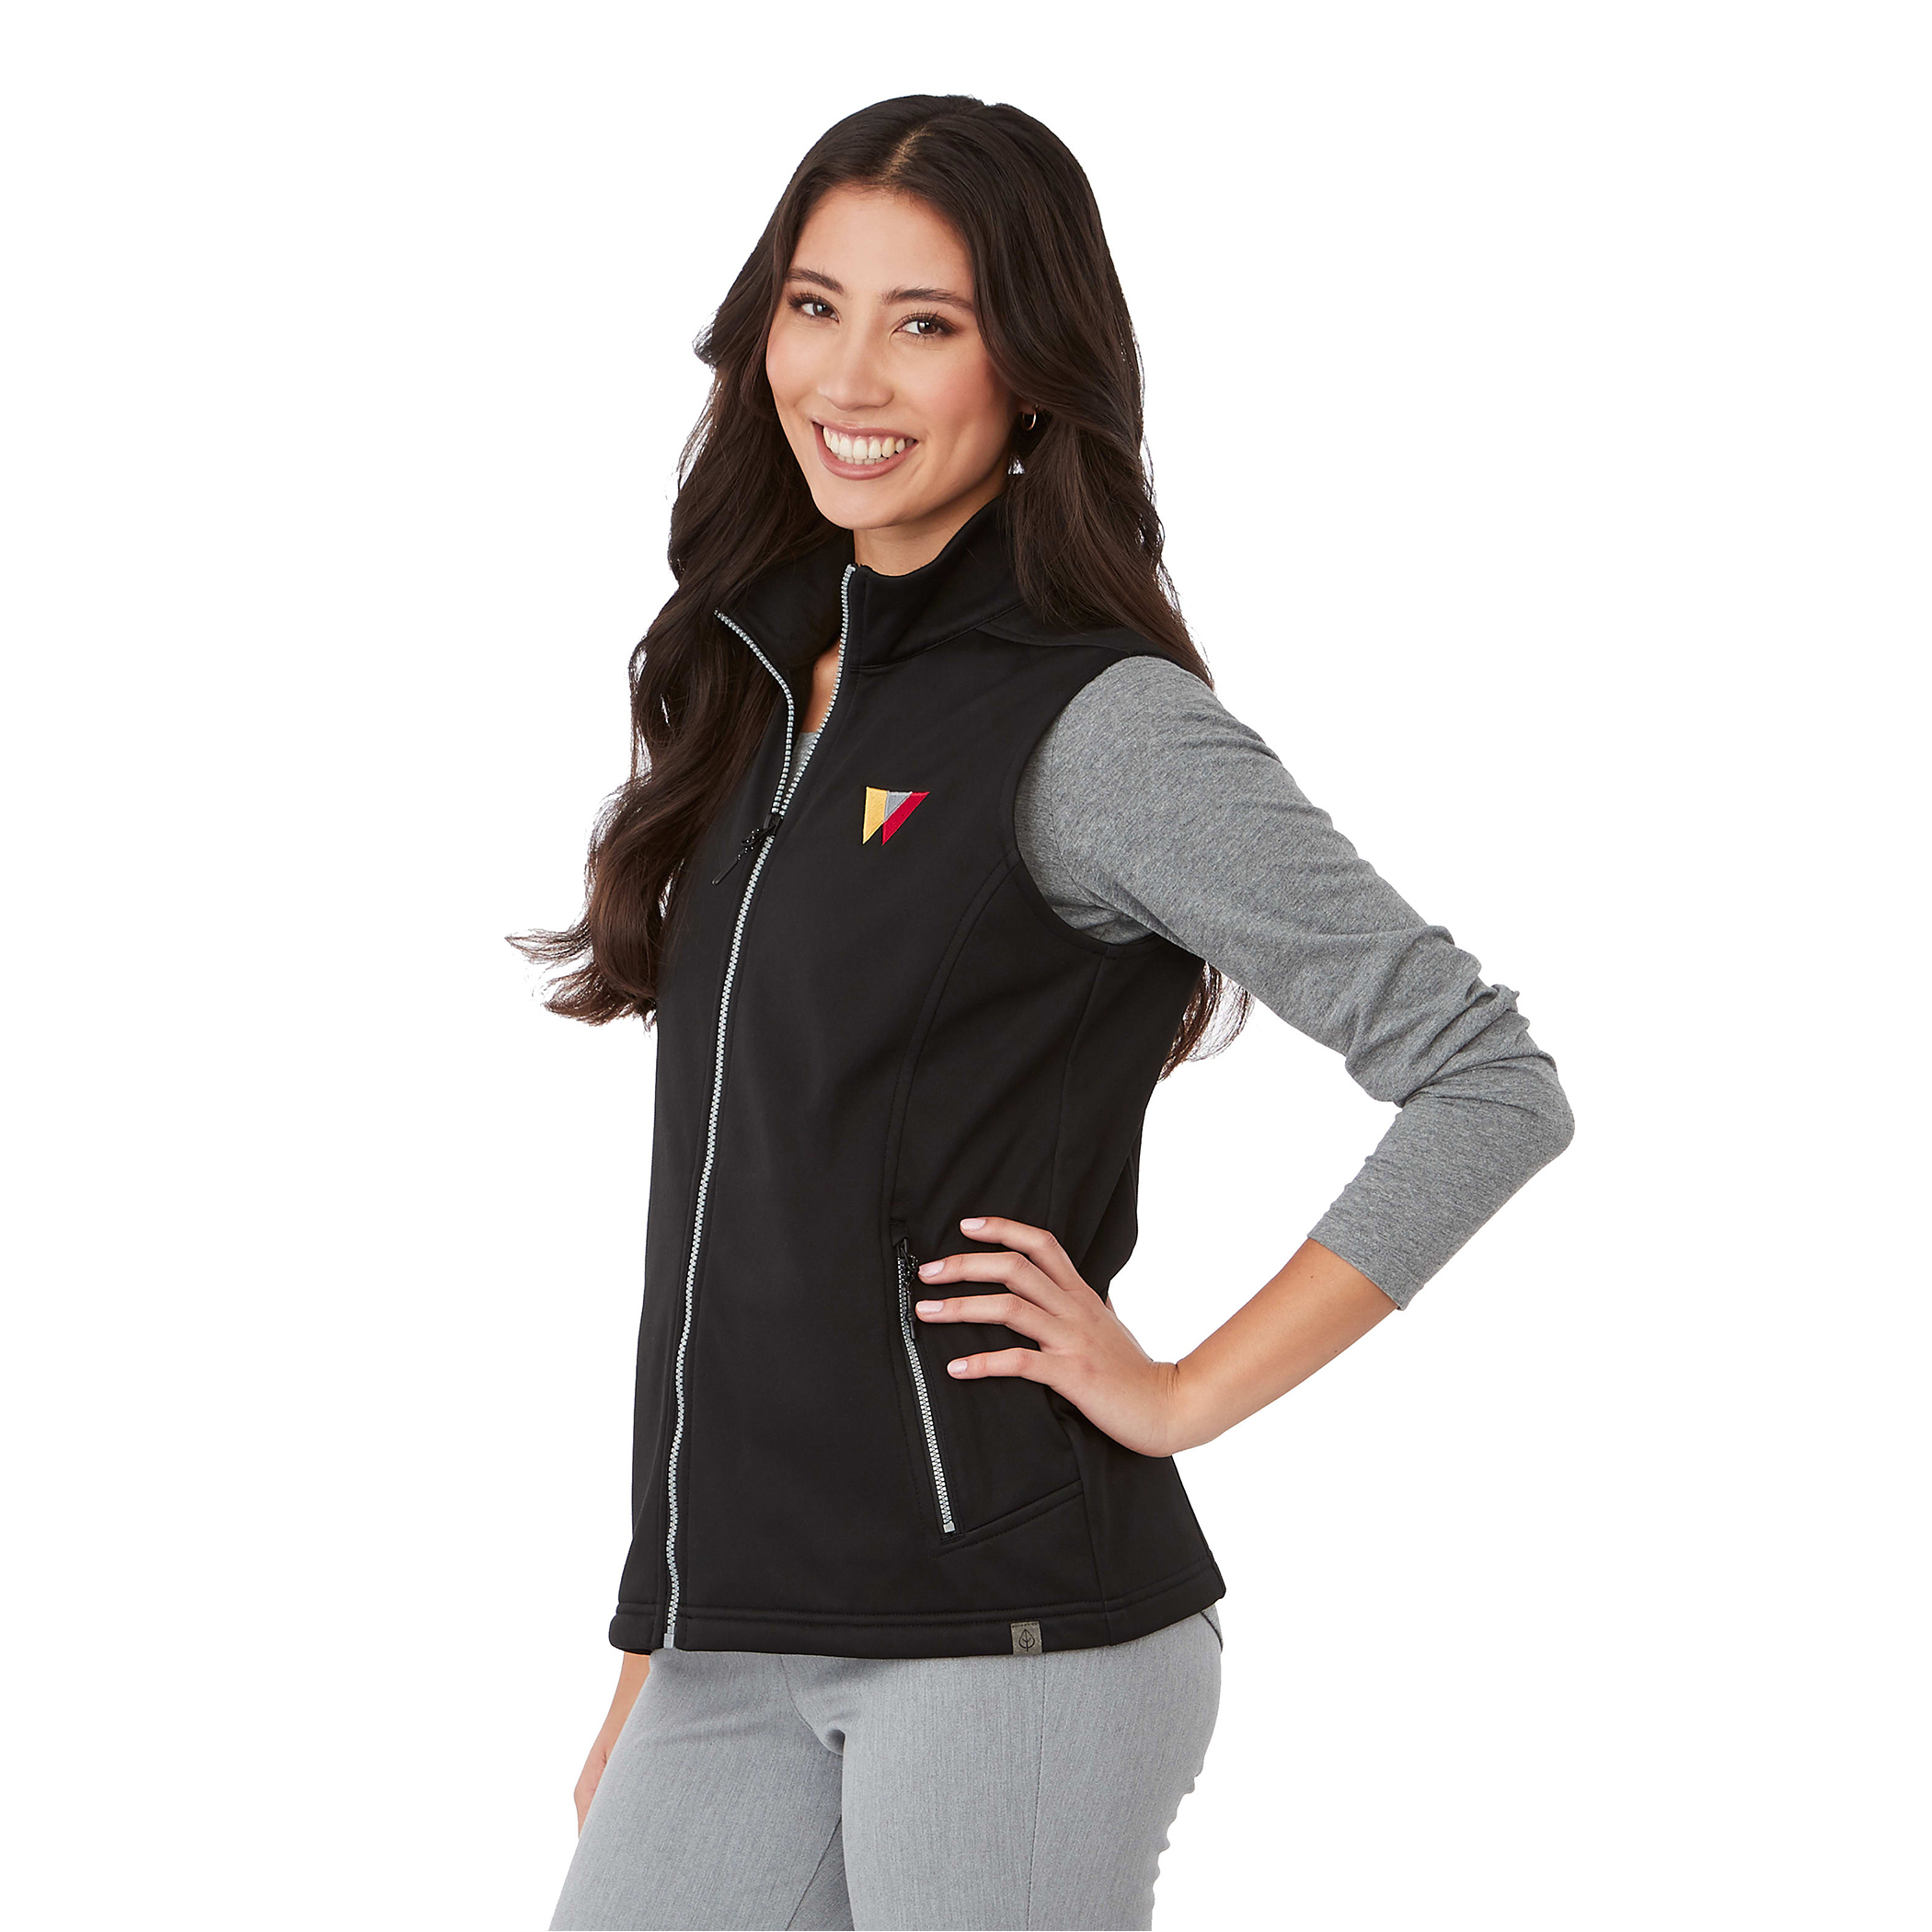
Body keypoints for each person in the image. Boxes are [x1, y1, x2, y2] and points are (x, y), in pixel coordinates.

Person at [516, 93, 1575, 1932]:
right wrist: (651, 1634)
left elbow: (1488, 1080)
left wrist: (1181, 1395)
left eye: (926, 321)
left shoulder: (1099, 728)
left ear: (1033, 369)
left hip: (1007, 1643)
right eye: (814, 305)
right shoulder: (763, 687)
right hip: (731, 1637)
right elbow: (729, 1226)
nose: (850, 374)